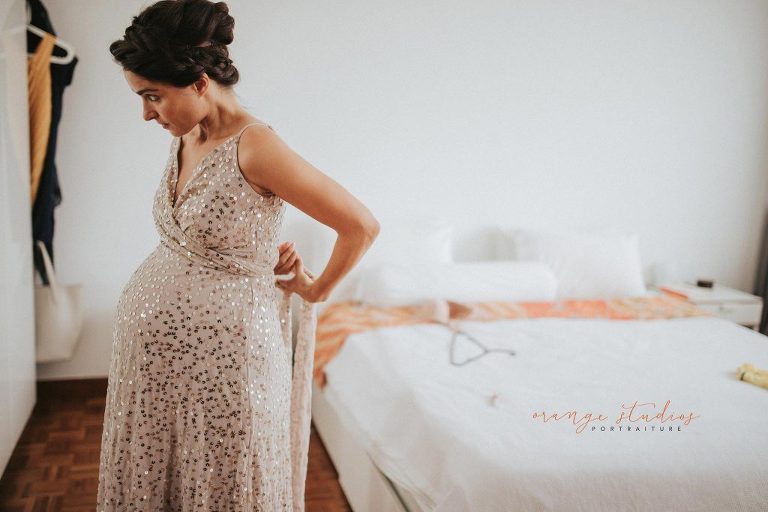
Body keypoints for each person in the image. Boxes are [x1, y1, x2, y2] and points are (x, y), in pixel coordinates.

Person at [97, 0, 380, 510]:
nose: (146, 113)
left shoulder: (256, 145)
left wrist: (315, 290)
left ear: (200, 83)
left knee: (227, 477)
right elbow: (215, 235)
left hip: (229, 363)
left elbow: (360, 225)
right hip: (153, 364)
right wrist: (254, 256)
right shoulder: (186, 134)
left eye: (152, 97)